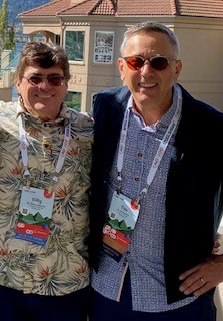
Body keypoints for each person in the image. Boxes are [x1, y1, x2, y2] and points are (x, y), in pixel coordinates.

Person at [89, 21, 223, 320]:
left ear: (177, 69)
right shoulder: (105, 108)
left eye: (159, 62)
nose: (146, 73)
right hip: (107, 290)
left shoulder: (212, 128)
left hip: (180, 299)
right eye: (137, 62)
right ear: (122, 68)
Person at [0, 41, 93, 321]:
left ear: (66, 84)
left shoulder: (89, 129)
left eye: (55, 78)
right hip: (5, 275)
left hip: (66, 280)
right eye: (35, 78)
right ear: (18, 82)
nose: (45, 86)